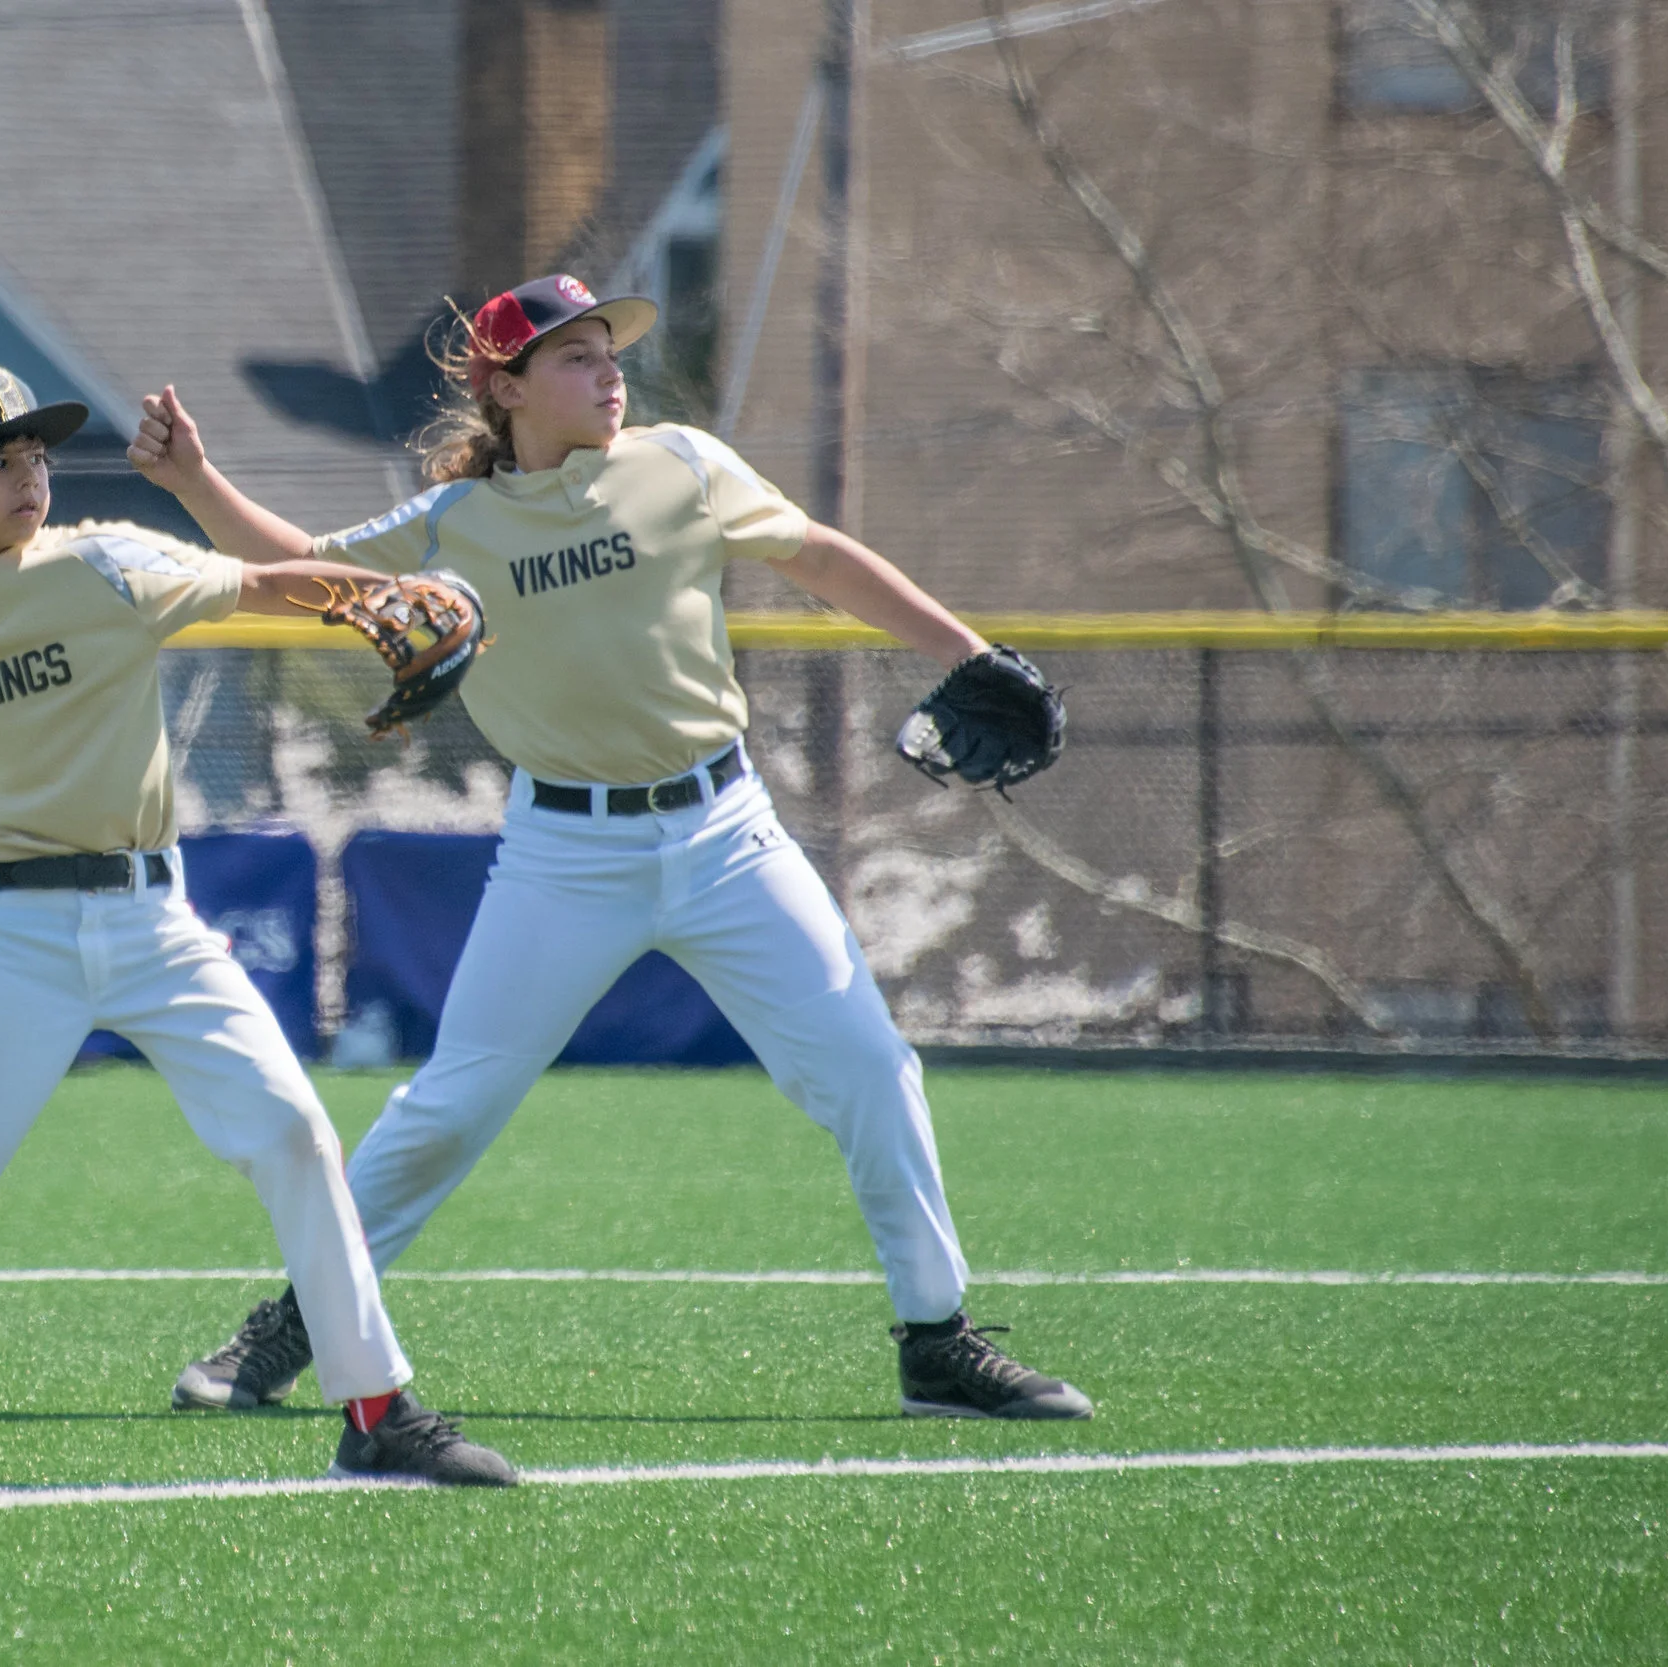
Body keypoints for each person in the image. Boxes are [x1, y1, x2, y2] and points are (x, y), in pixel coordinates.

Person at [129, 278, 1094, 1422]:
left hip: (727, 830)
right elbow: (309, 581)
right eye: (576, 356)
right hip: (564, 856)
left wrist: (966, 649)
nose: (608, 371)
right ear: (506, 388)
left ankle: (937, 1340)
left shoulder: (680, 461)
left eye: (609, 349)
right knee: (449, 1107)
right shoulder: (455, 525)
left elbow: (820, 556)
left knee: (870, 1069)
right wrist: (194, 482)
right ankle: (294, 1327)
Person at [0, 364, 514, 1486]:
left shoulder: (109, 559)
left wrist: (383, 597)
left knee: (295, 1133)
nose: (30, 474)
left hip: (153, 919)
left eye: (38, 453)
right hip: (15, 941)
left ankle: (376, 1410)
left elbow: (260, 581)